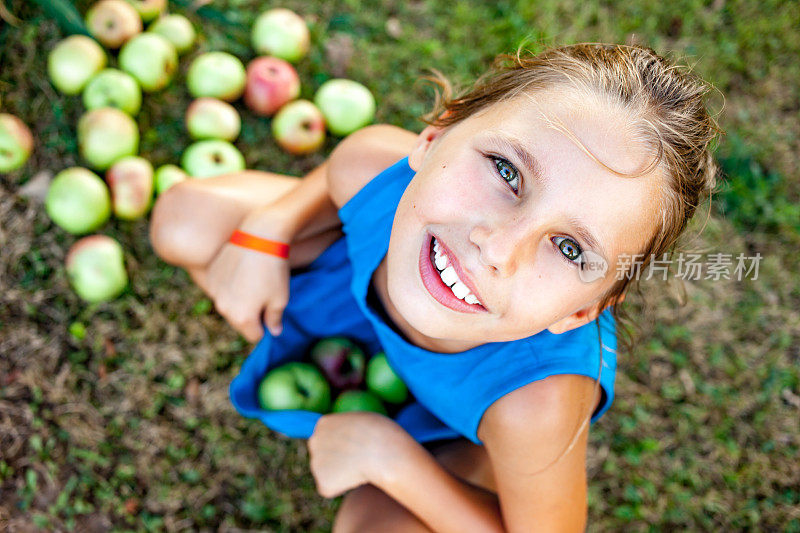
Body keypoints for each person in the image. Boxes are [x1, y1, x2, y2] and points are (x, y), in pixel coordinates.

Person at [150, 43, 719, 531]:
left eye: (569, 248)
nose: (496, 248)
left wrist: (392, 461)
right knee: (183, 222)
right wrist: (270, 231)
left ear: (583, 311)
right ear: (432, 137)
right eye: (506, 170)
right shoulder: (373, 167)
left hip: (456, 425)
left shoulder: (534, 404)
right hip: (355, 294)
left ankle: (437, 451)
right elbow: (339, 172)